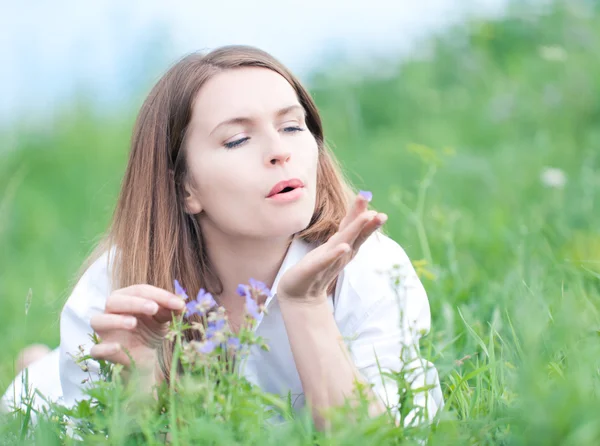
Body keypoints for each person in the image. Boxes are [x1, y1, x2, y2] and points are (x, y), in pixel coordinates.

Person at [2, 45, 443, 428]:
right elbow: (95, 432)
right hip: (50, 393)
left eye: (292, 126)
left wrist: (306, 304)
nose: (280, 151)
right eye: (237, 140)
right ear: (185, 187)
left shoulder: (366, 266)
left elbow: (383, 436)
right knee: (36, 383)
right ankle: (37, 362)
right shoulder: (117, 291)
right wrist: (140, 382)